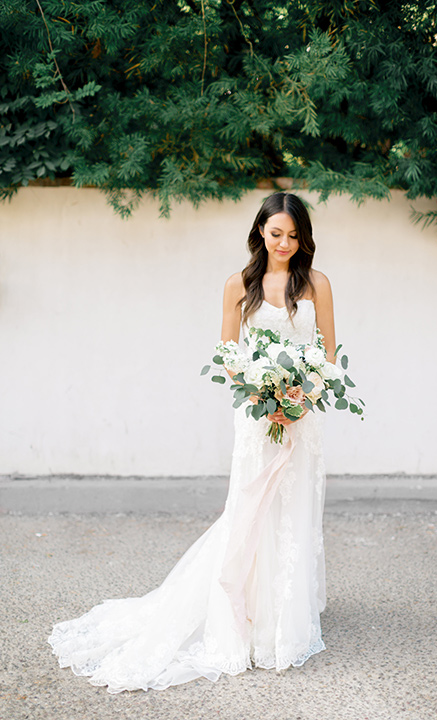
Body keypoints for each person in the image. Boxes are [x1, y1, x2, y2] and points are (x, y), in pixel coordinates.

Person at [48, 192, 336, 693]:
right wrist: (262, 393)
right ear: (261, 233)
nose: (285, 243)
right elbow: (227, 354)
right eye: (276, 233)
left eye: (293, 235)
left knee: (292, 511)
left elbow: (329, 353)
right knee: (248, 511)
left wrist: (301, 398)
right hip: (256, 416)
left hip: (301, 417)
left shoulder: (317, 285)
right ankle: (238, 619)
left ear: (303, 238)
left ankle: (282, 623)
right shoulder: (238, 285)